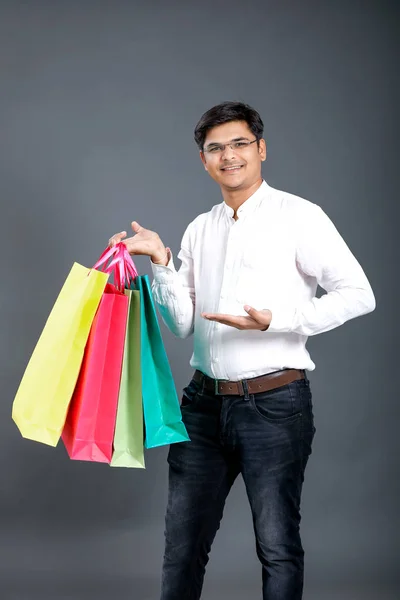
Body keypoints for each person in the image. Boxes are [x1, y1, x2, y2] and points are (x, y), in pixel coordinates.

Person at [108, 101, 376, 600]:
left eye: (239, 144)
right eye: (215, 148)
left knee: (277, 546)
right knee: (182, 546)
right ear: (204, 161)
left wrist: (279, 320)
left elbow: (361, 294)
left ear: (261, 149)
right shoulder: (200, 228)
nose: (228, 156)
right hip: (203, 408)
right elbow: (182, 325)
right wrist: (163, 261)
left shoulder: (299, 216)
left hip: (274, 406)